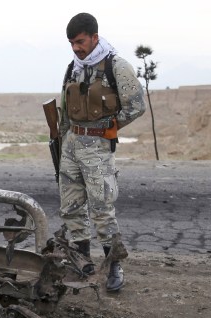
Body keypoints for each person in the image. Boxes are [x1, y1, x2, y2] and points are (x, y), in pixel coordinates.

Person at [57, 12, 145, 292]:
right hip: (71, 145)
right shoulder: (74, 66)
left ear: (95, 37)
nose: (76, 48)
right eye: (72, 43)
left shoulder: (116, 66)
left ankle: (113, 265)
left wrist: (111, 126)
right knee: (70, 207)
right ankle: (82, 261)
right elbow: (65, 108)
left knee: (102, 208)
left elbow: (136, 105)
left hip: (97, 147)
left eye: (80, 41)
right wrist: (61, 141)